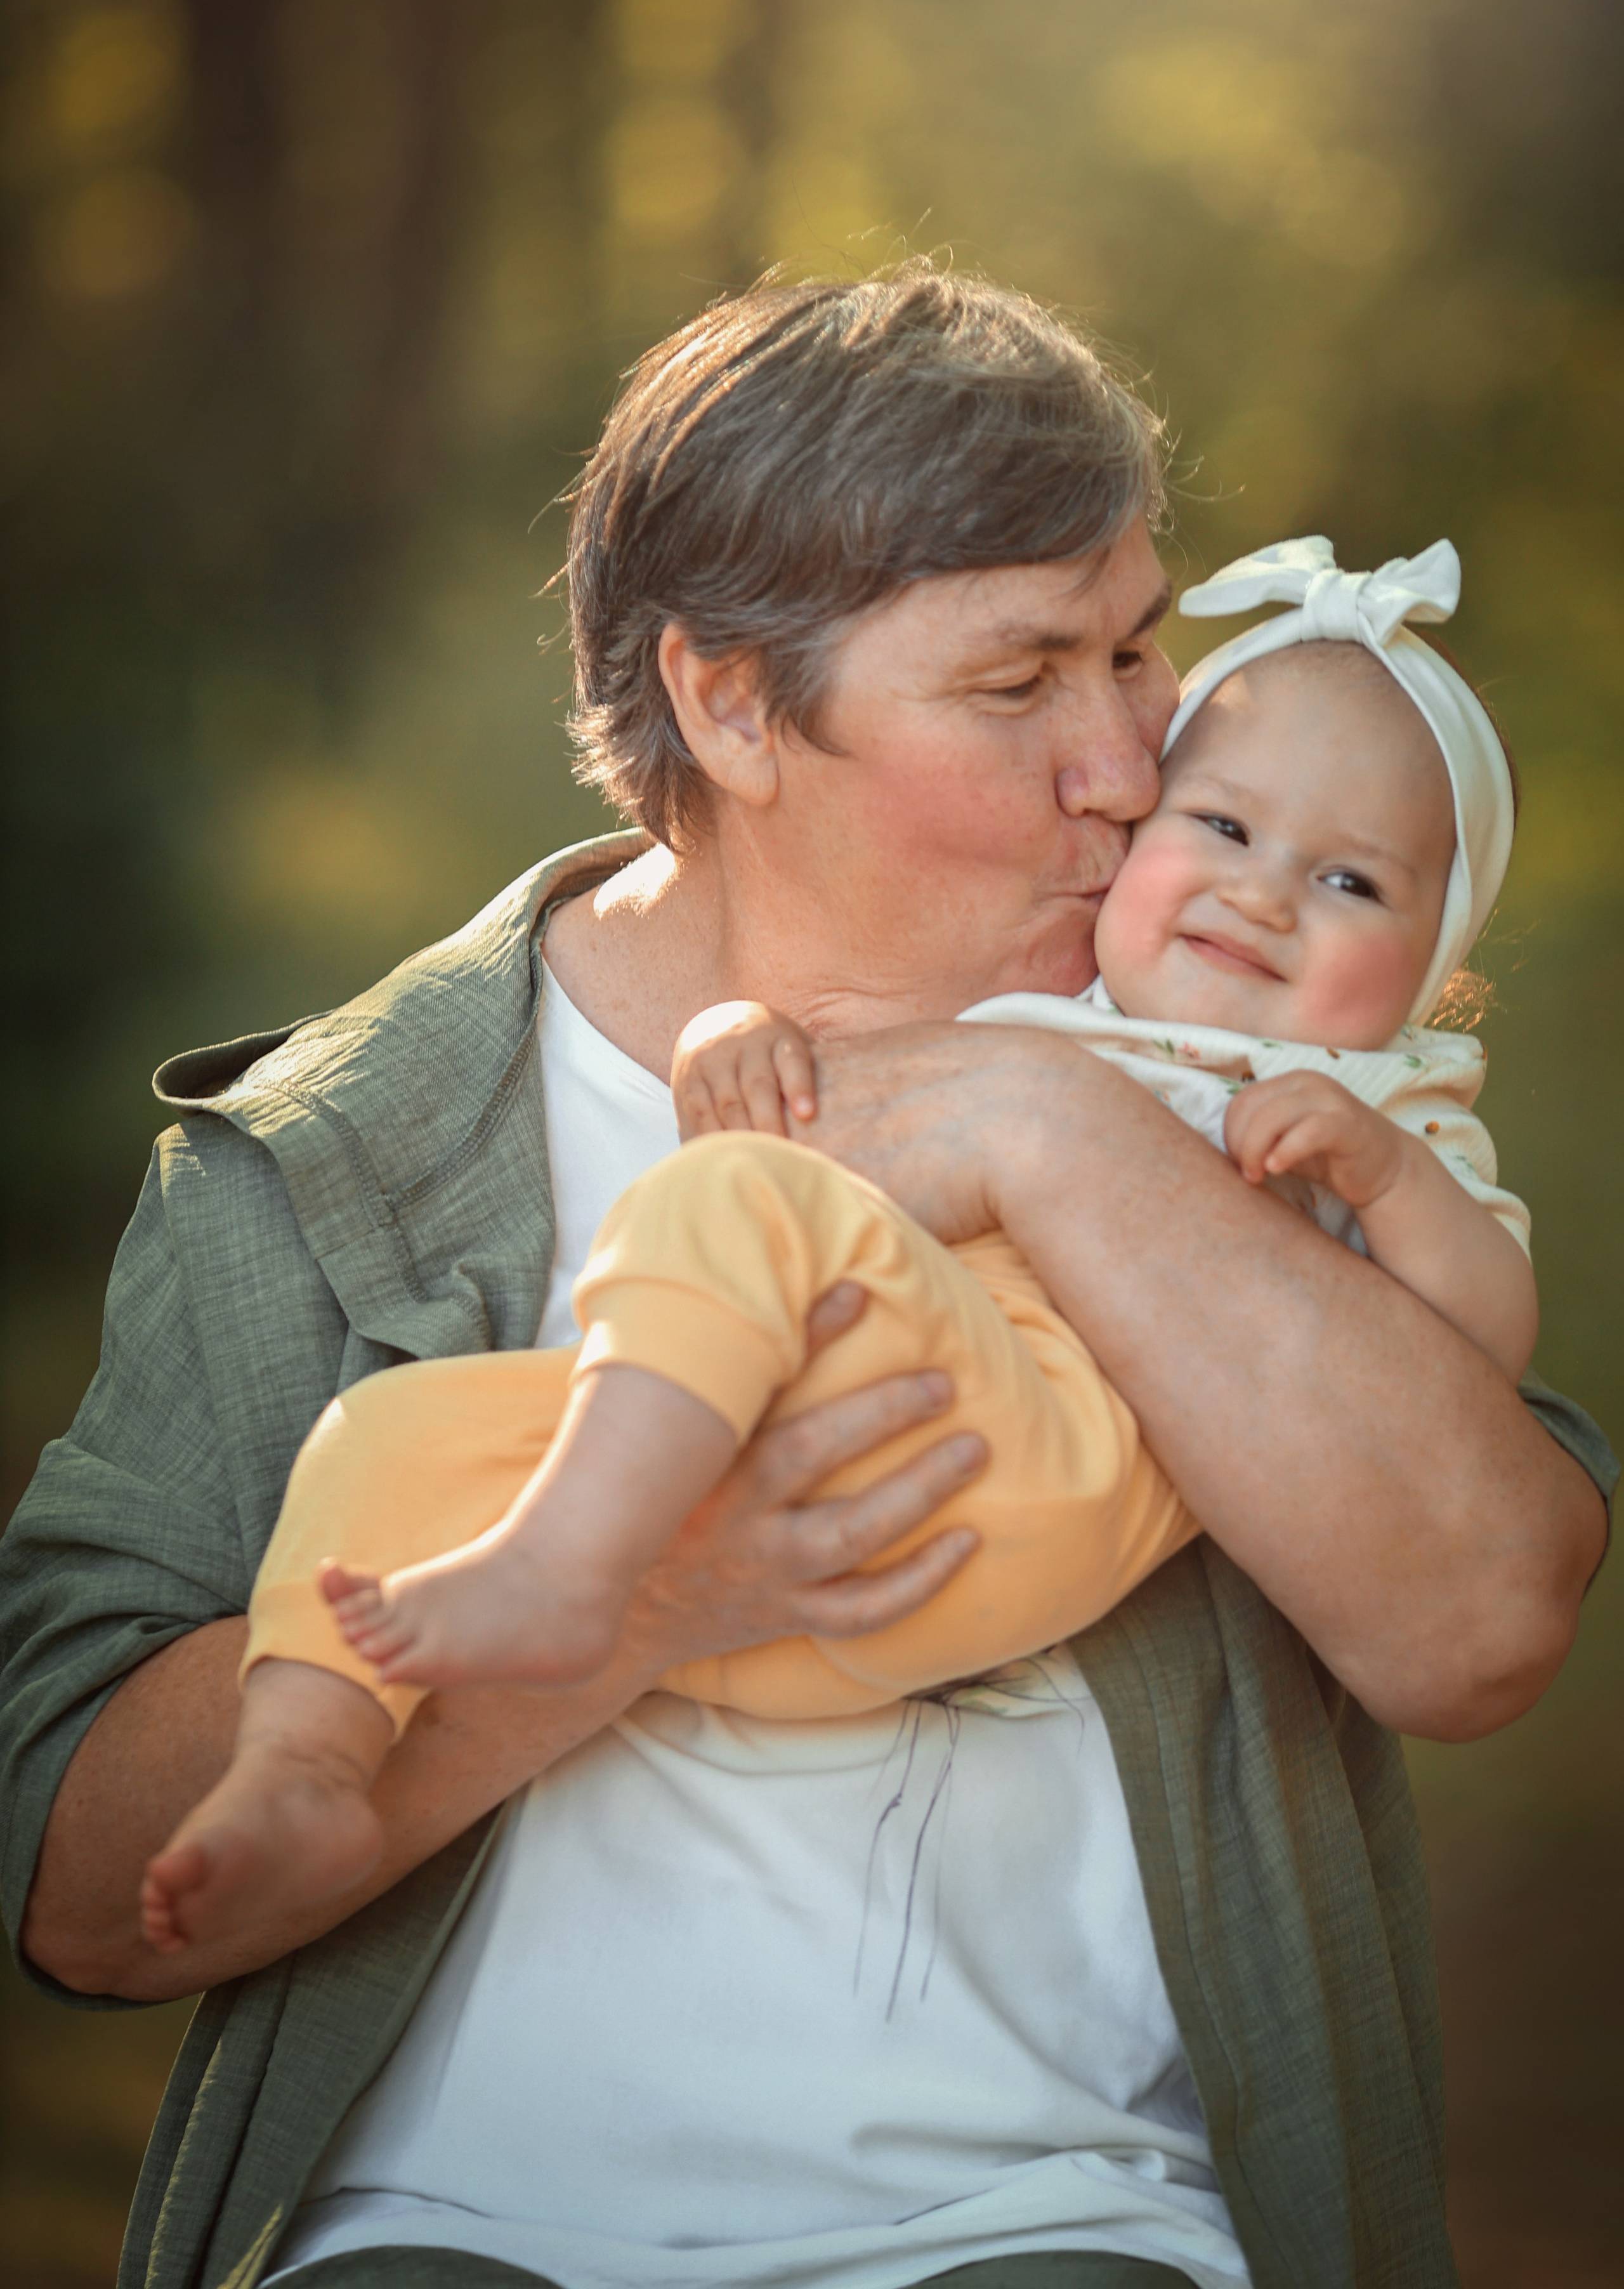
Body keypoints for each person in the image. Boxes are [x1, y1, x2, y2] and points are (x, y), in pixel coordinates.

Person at [0, 269, 1613, 2289]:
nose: (1127, 762)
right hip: (438, 2232)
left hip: (1075, 2226)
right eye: (1019, 686)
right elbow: (76, 1892)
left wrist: (1049, 1128)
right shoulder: (336, 1161)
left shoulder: (1240, 1073)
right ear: (731, 704)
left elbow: (1481, 1624)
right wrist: (657, 1599)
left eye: (1136, 651)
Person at [133, 534, 1543, 1971]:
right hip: (822, 1532)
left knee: (732, 1196)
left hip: (1023, 1467)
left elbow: (1481, 1344)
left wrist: (1383, 1179)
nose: (1261, 897)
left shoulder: (1382, 1109)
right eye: (1223, 829)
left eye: (1353, 886)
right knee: (393, 1437)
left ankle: (567, 1562)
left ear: (1436, 971)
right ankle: (300, 1771)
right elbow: (838, 1115)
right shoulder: (1051, 1001)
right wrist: (735, 1039)